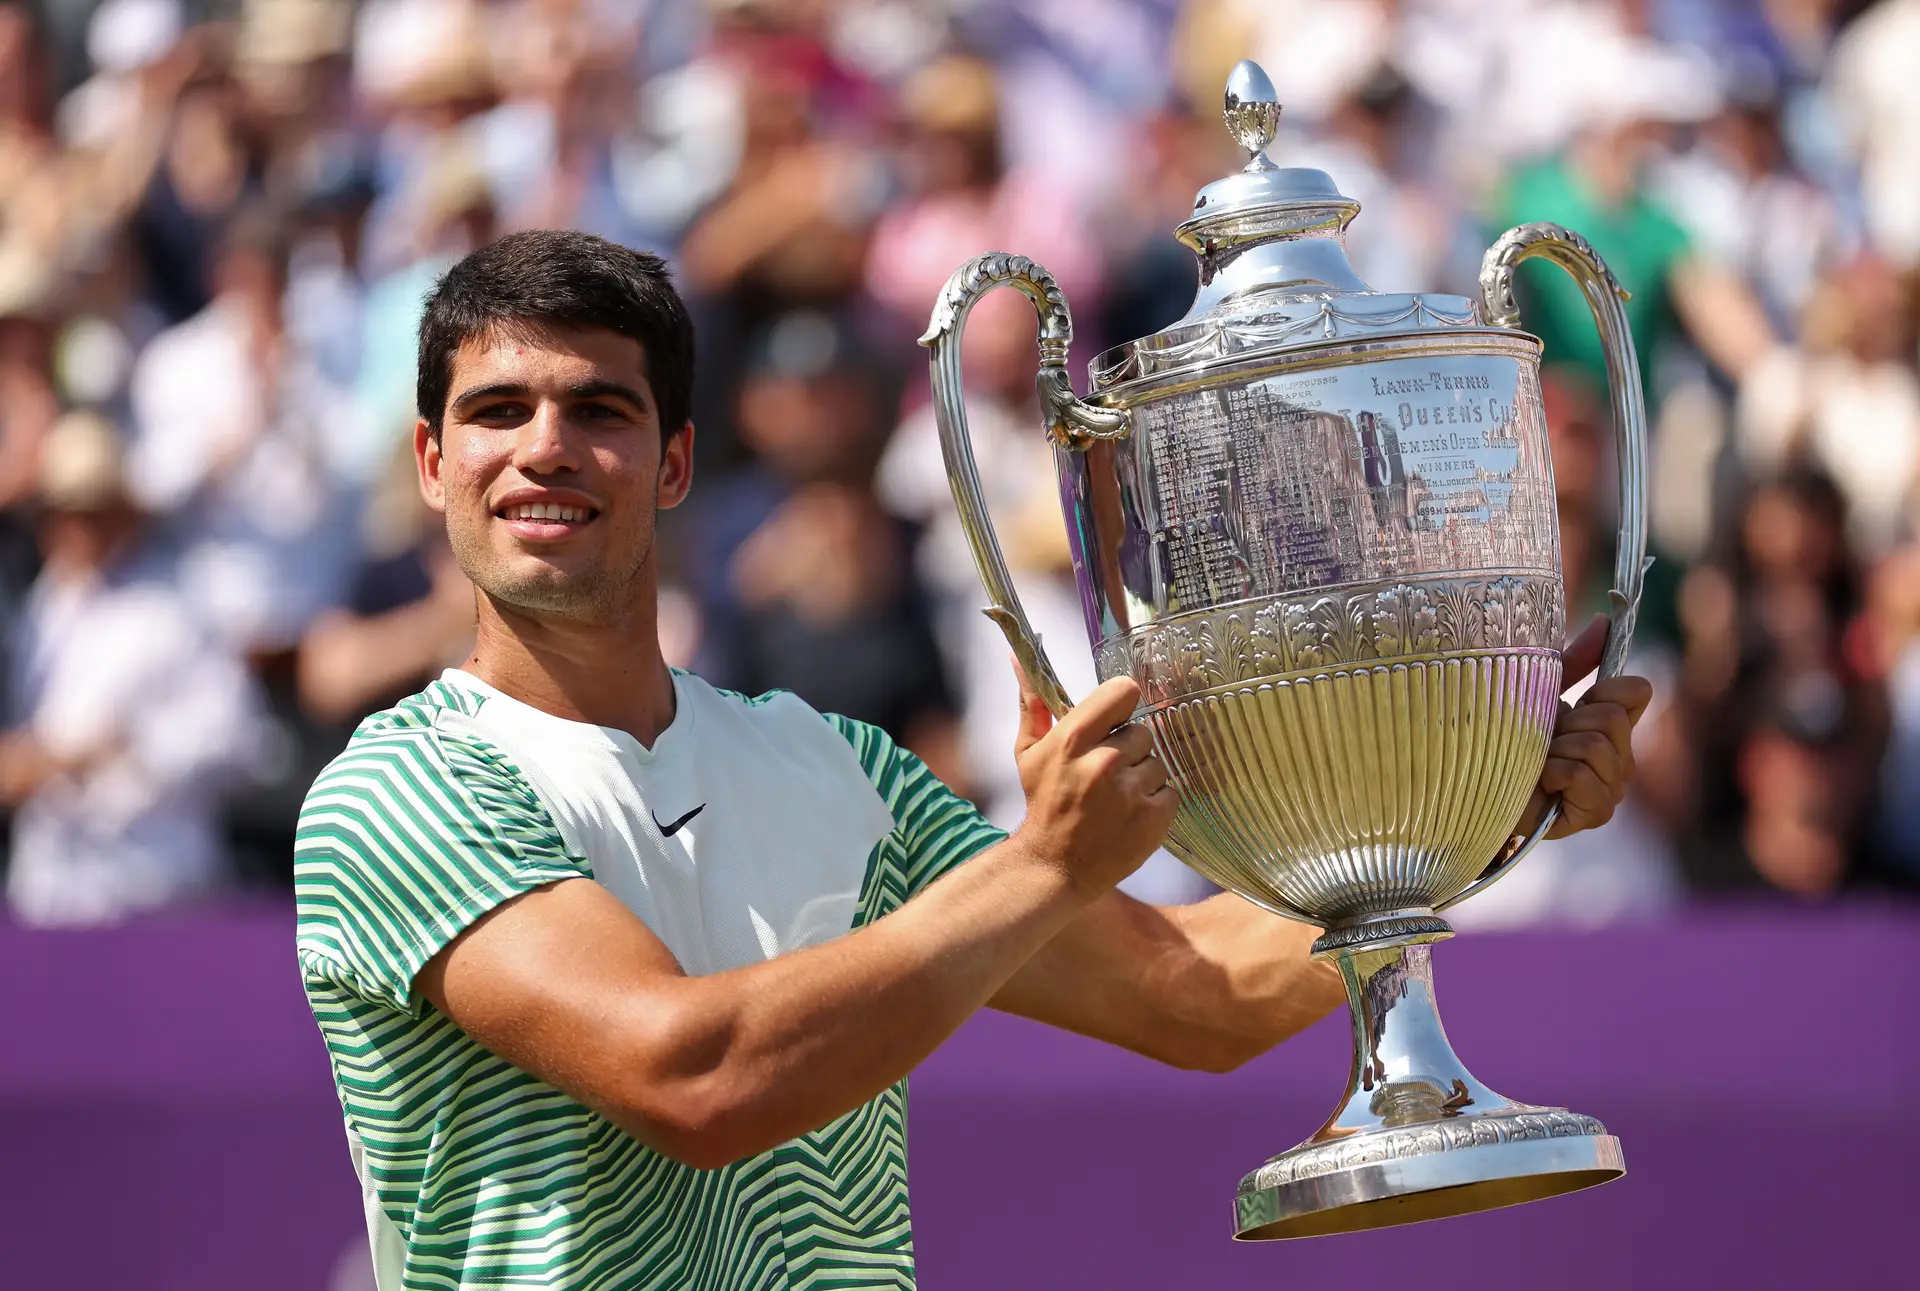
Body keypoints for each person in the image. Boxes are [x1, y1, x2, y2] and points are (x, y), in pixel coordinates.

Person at [294, 230, 1652, 1291]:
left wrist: (1470, 812)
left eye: (599, 408)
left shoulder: (832, 764)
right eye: (496, 410)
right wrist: (1045, 866)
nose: (545, 448)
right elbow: (693, 1079)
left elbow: (1192, 993)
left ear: (674, 463)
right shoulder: (395, 792)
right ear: (430, 460)